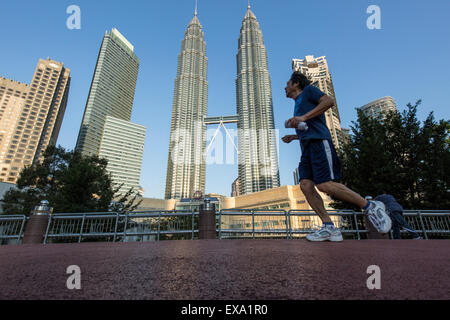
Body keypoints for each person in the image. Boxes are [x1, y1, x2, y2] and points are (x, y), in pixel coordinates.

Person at [282, 71, 392, 242]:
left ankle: (370, 206)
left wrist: (302, 117)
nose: (285, 87)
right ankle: (329, 227)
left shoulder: (309, 91)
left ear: (296, 84)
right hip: (307, 148)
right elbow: (310, 126)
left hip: (319, 143)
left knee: (324, 184)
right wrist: (294, 136)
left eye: (287, 83)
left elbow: (328, 101)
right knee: (305, 185)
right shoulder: (297, 103)